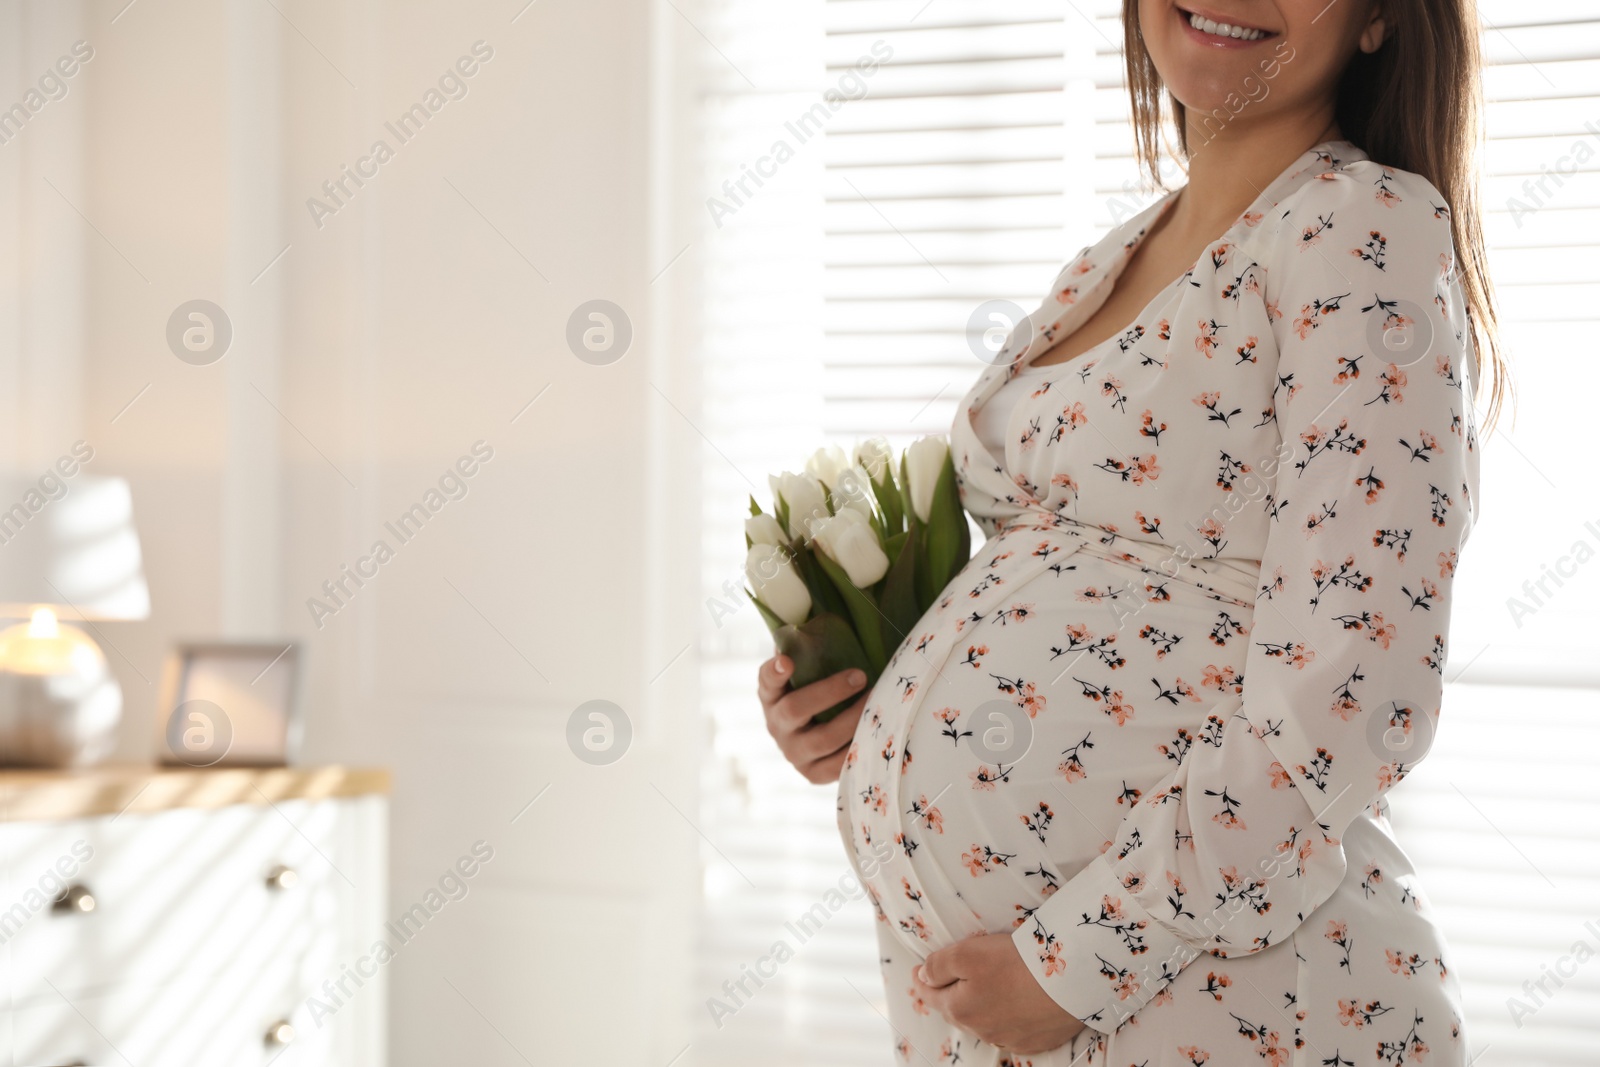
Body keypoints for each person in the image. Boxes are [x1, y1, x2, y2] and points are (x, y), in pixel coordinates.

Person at [758, 0, 1509, 1062]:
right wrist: (858, 691)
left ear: (1381, 18)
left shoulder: (1360, 228)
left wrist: (1074, 961)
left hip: (1242, 1005)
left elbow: (1355, 688)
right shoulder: (1113, 255)